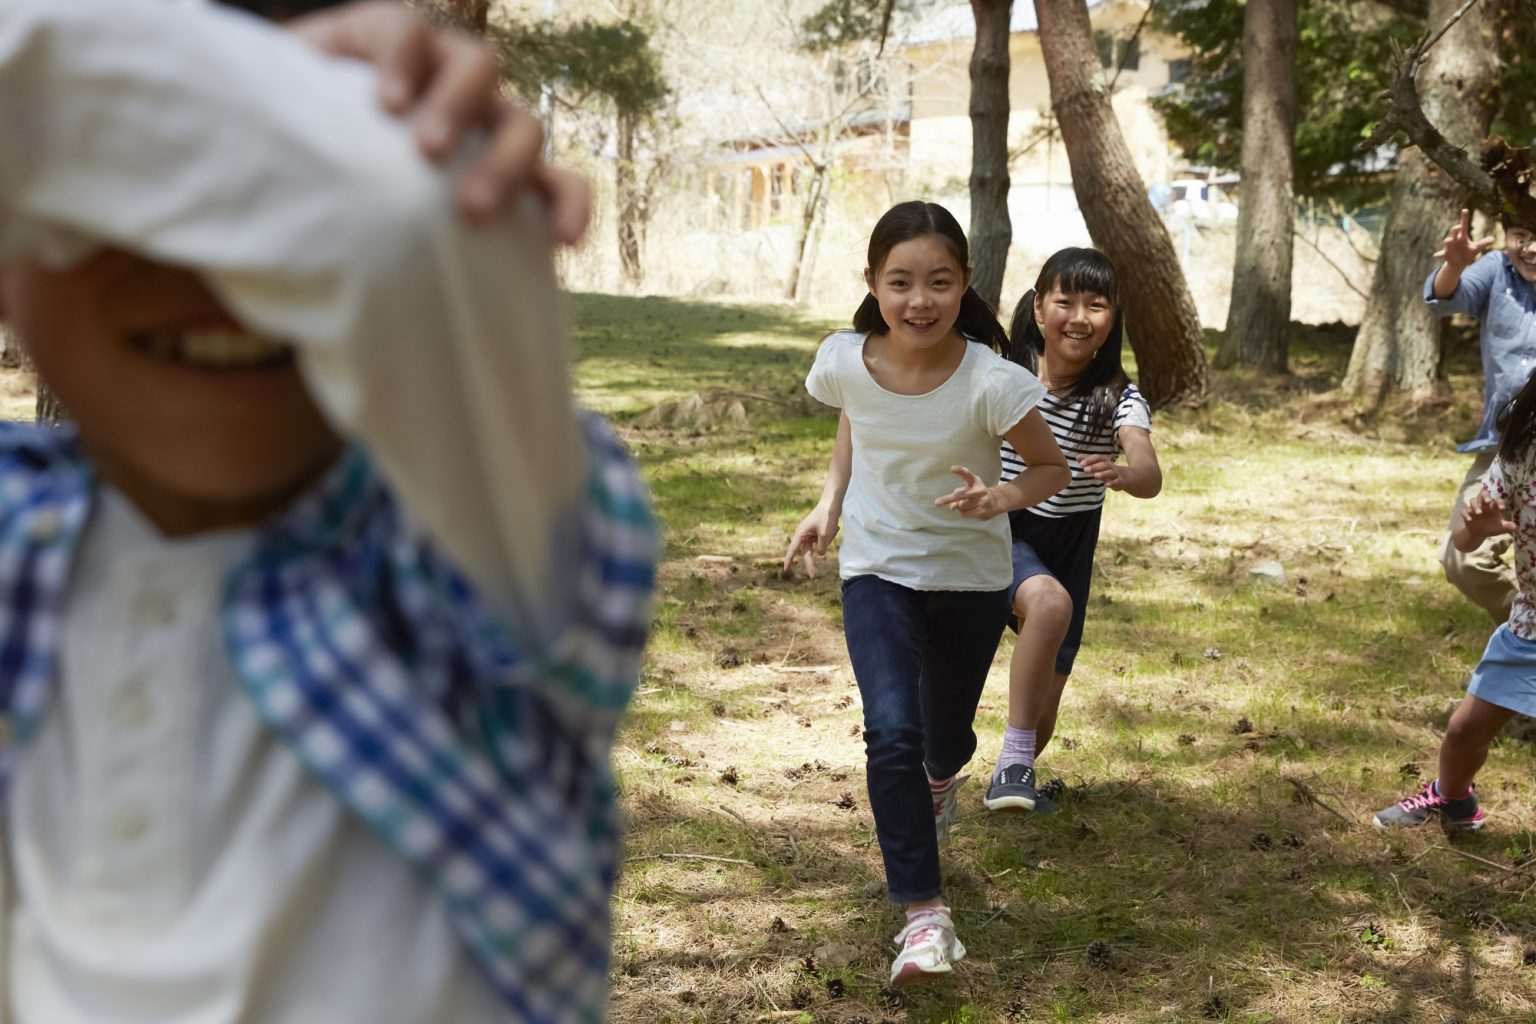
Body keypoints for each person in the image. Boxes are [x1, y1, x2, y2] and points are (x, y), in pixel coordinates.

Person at [0, 2, 655, 1022]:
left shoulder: (476, 550)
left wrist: (386, 142)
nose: (224, 265)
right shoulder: (20, 531)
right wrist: (258, 91)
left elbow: (416, 230)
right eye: (119, 187)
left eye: (284, 196)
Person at [782, 201, 1070, 987]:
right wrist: (829, 505)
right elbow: (857, 417)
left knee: (942, 741)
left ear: (965, 283)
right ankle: (924, 915)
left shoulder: (993, 380)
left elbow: (1050, 468)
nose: (920, 300)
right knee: (891, 732)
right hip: (877, 568)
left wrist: (1001, 498)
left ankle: (941, 782)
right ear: (873, 283)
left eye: (939, 282)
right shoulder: (843, 359)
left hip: (971, 577)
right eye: (901, 282)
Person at [982, 248, 1162, 814]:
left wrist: (1126, 475)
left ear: (1114, 319)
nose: (1080, 317)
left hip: (1068, 549)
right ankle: (975, 767)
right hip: (1001, 533)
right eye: (1065, 302)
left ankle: (1013, 772)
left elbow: (1150, 472)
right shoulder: (1005, 376)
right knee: (1046, 604)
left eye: (1096, 305)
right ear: (1039, 308)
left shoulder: (1119, 399)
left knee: (1043, 713)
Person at [1373, 368, 1536, 831]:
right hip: (1530, 625)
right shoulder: (1523, 448)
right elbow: (1464, 540)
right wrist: (1475, 528)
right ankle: (1453, 799)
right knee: (1464, 732)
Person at [1426, 208, 1536, 624]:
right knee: (1462, 559)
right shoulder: (1496, 270)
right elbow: (1445, 298)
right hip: (1503, 448)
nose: (1531, 249)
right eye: (1521, 235)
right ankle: (1523, 631)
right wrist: (1454, 266)